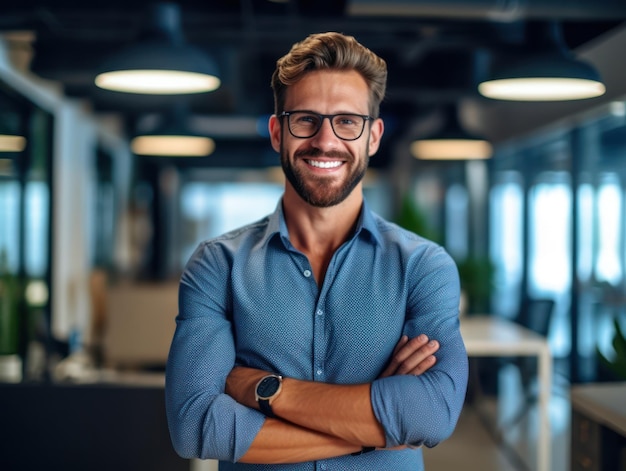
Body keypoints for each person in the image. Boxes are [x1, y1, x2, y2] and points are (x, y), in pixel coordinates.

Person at [165, 31, 468, 470]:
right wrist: (374, 431)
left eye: (347, 121)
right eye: (305, 119)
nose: (325, 141)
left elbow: (432, 414)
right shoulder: (217, 265)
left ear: (374, 136)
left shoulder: (423, 266)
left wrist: (267, 389)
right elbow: (195, 426)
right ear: (276, 132)